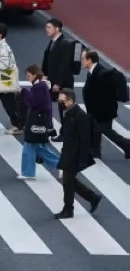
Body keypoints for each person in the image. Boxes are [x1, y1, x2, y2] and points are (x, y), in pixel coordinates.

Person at [56, 88, 102, 219]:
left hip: (75, 155)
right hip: (68, 152)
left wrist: (82, 159)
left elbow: (85, 138)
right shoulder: (68, 113)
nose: (61, 103)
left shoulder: (80, 115)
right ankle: (92, 197)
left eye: (63, 101)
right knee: (69, 181)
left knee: (67, 182)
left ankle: (68, 209)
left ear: (70, 100)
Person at [81, 50, 130, 159]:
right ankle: (95, 151)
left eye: (83, 59)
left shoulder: (102, 74)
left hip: (104, 111)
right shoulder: (93, 71)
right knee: (95, 128)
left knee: (106, 130)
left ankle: (127, 145)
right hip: (97, 110)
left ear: (90, 60)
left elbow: (107, 96)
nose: (81, 62)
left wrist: (98, 112)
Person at [41, 18, 76, 123]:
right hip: (52, 80)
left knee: (64, 108)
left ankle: (66, 131)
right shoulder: (53, 42)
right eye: (46, 27)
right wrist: (44, 75)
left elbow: (64, 65)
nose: (46, 29)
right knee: (48, 103)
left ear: (57, 29)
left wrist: (58, 83)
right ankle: (52, 128)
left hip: (62, 83)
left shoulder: (64, 44)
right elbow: (47, 61)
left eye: (49, 27)